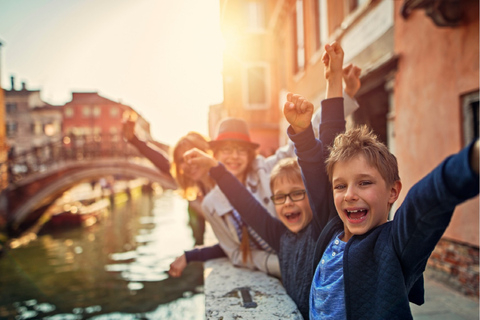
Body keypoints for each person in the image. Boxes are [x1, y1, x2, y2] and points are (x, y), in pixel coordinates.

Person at [178, 40, 347, 319]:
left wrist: (334, 80)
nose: (287, 202)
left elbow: (326, 150)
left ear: (311, 195)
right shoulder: (279, 234)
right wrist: (214, 168)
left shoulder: (323, 229)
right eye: (279, 198)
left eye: (297, 194)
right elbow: (245, 204)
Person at [289, 116, 479, 317]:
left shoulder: (395, 244)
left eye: (364, 183)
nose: (349, 195)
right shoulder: (330, 230)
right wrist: (302, 135)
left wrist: (471, 161)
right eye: (340, 186)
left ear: (392, 191)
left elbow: (424, 202)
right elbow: (314, 173)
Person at [123, 121, 213, 246]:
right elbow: (163, 163)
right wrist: (135, 140)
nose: (189, 163)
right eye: (182, 160)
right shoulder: (193, 180)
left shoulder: (221, 181)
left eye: (193, 156)